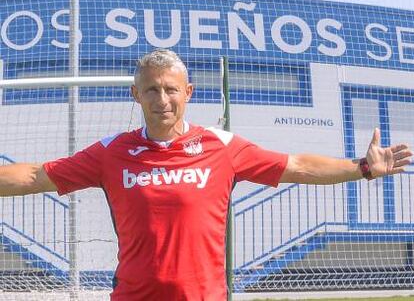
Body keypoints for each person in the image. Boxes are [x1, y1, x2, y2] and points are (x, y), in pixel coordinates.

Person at [0, 49, 412, 301]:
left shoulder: (222, 147)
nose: (162, 99)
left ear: (188, 92)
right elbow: (37, 175)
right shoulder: (112, 152)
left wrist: (362, 168)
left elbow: (297, 166)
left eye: (171, 89)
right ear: (136, 95)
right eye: (151, 90)